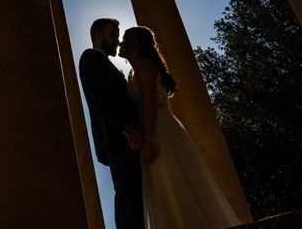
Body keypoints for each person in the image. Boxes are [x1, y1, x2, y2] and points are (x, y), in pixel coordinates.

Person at [119, 26, 242, 229]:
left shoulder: (144, 65)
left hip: (157, 129)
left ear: (135, 44)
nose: (121, 44)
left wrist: (148, 140)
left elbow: (149, 101)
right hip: (156, 126)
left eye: (125, 39)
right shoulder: (137, 68)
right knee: (167, 186)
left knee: (170, 183)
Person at [79, 18, 144, 229]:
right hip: (118, 137)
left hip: (125, 137)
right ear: (98, 36)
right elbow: (102, 95)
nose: (117, 41)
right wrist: (126, 126)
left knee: (135, 193)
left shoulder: (107, 64)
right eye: (112, 35)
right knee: (128, 194)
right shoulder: (90, 57)